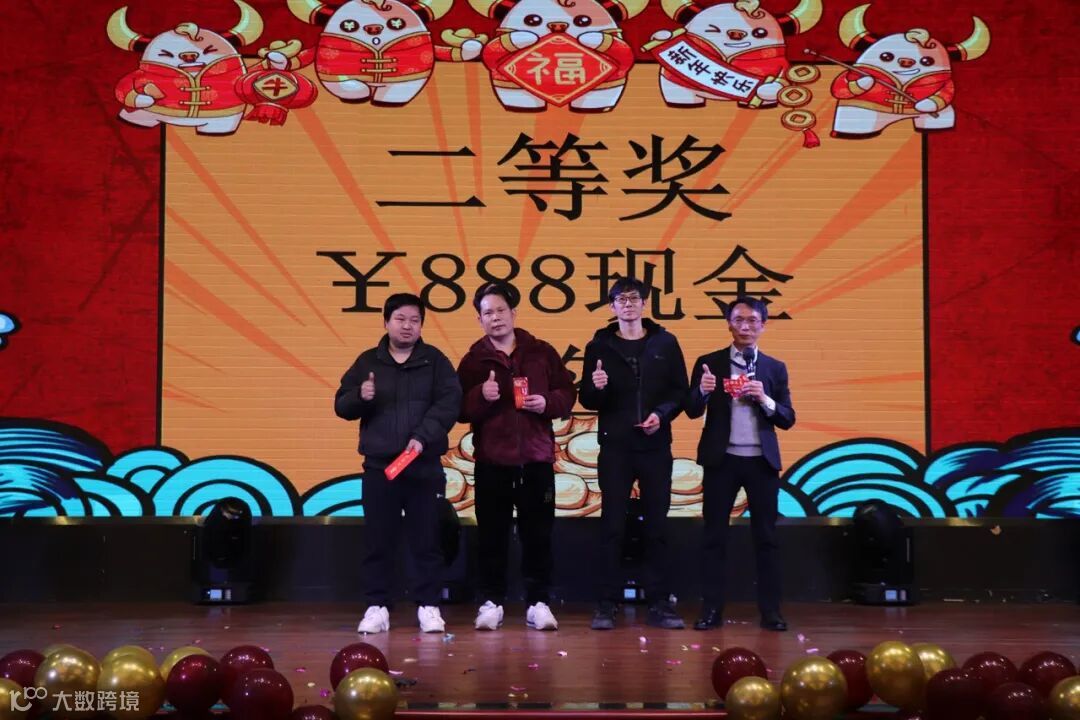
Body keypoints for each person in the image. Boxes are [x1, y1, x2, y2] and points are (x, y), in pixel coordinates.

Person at [334, 293, 462, 634]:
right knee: (378, 540)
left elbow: (449, 404)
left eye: (414, 320)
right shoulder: (367, 362)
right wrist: (359, 397)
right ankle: (377, 606)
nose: (408, 326)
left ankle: (428, 606)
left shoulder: (435, 361)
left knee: (427, 539)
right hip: (380, 468)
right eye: (401, 319)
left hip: (424, 466)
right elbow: (341, 406)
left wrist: (422, 436)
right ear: (386, 321)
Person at [457, 282, 577, 632]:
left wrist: (547, 403)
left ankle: (538, 603)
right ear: (479, 319)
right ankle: (491, 602)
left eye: (500, 310)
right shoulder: (473, 360)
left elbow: (567, 392)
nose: (495, 318)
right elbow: (459, 409)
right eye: (487, 313)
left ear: (513, 313)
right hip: (492, 462)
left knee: (538, 536)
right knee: (491, 536)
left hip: (536, 460)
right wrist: (481, 395)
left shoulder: (541, 352)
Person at [579, 277, 690, 630]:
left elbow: (680, 391)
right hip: (616, 447)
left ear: (644, 303)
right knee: (612, 525)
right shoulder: (599, 345)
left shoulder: (666, 343)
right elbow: (588, 399)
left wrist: (662, 414)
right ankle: (606, 603)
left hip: (655, 446)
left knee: (657, 526)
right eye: (620, 299)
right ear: (612, 306)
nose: (627, 304)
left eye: (633, 298)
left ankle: (660, 603)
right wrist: (596, 387)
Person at [685, 296, 796, 632]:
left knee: (767, 538)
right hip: (722, 461)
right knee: (714, 537)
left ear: (763, 325)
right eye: (738, 320)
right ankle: (711, 610)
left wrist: (765, 398)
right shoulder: (709, 363)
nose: (745, 327)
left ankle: (771, 612)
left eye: (752, 321)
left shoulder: (774, 368)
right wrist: (703, 392)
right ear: (729, 324)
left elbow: (787, 418)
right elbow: (691, 410)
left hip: (761, 462)